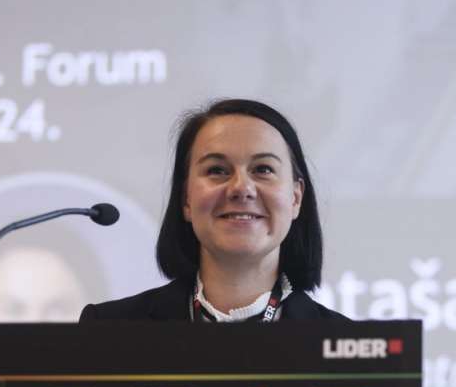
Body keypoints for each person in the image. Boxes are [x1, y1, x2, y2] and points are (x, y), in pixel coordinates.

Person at [79, 99, 347, 322]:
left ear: (296, 198)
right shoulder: (108, 329)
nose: (241, 188)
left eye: (263, 169)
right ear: (186, 199)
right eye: (217, 170)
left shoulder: (347, 344)